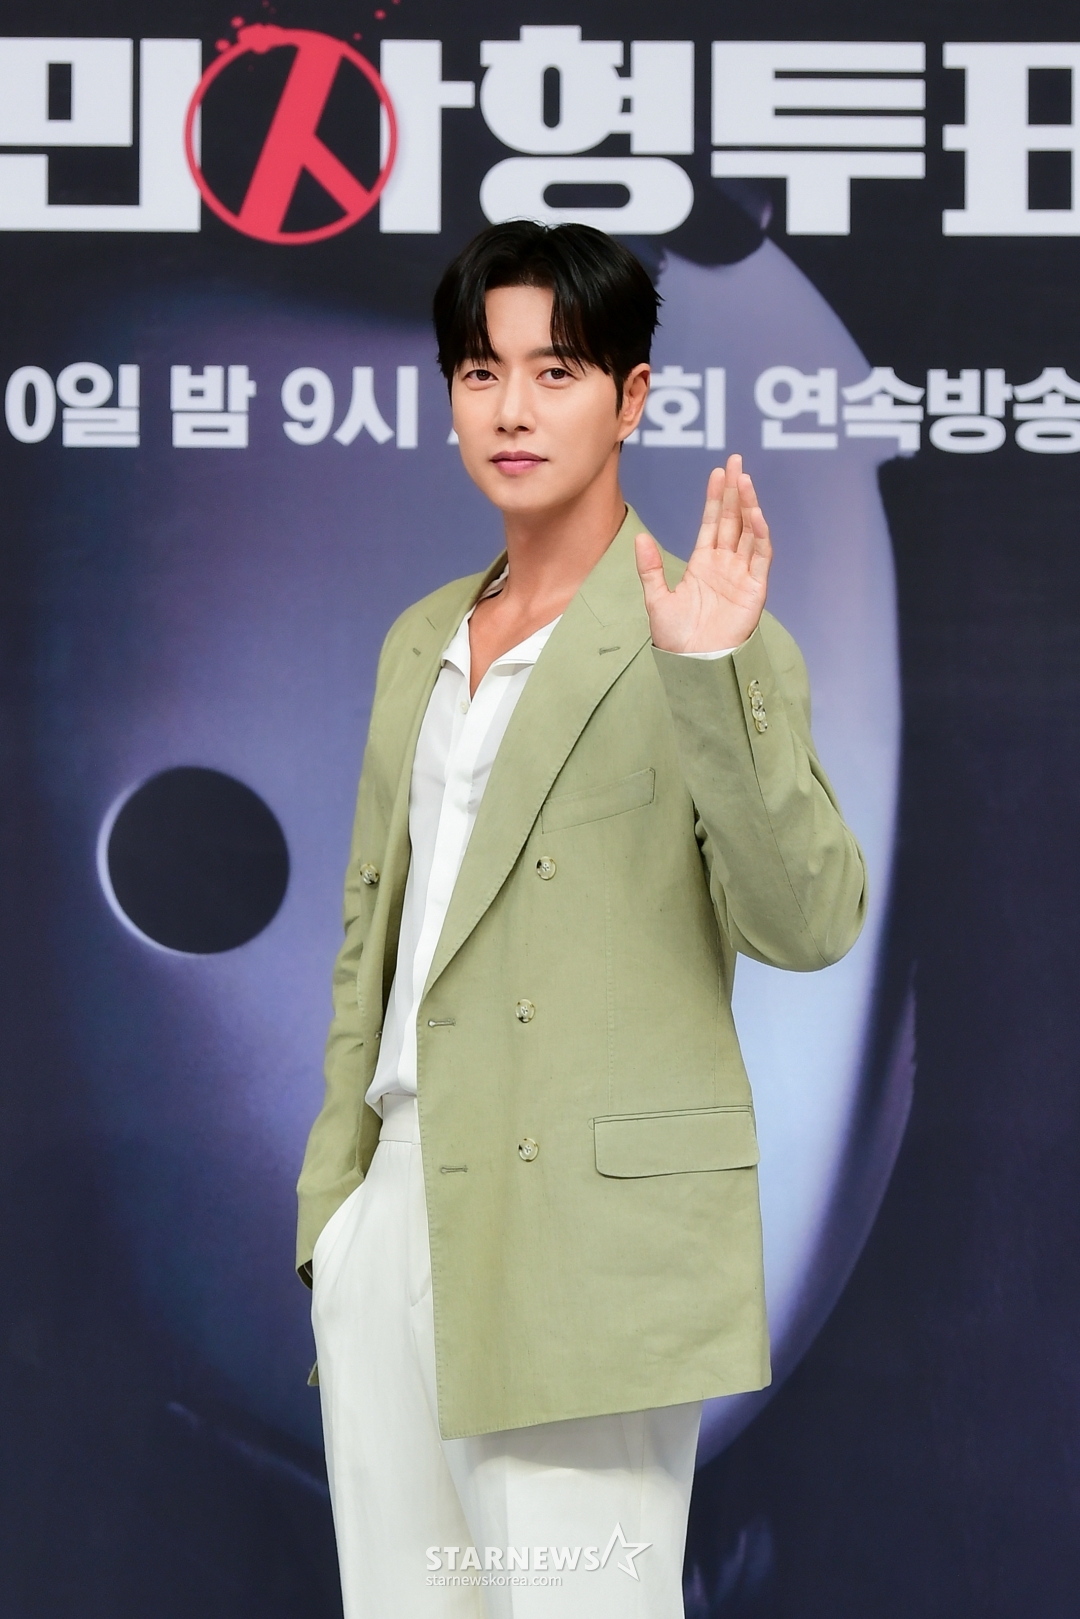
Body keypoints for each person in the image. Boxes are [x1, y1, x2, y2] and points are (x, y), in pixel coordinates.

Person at [296, 220, 867, 1619]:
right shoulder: (420, 636)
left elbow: (809, 921)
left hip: (584, 1228)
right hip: (398, 1206)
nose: (512, 408)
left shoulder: (703, 632)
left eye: (556, 372)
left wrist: (712, 672)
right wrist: (337, 1217)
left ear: (632, 398)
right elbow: (375, 939)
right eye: (481, 372)